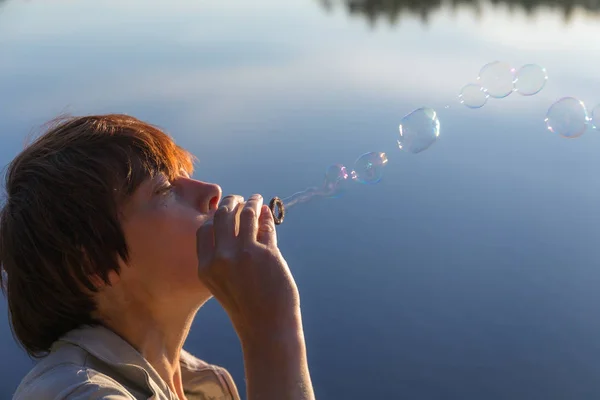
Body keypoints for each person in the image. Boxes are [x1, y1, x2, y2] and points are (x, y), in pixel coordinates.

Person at [0, 114, 315, 400]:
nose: (211, 191)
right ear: (91, 265)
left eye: (185, 176)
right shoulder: (74, 393)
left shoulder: (196, 387)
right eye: (164, 189)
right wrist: (272, 330)